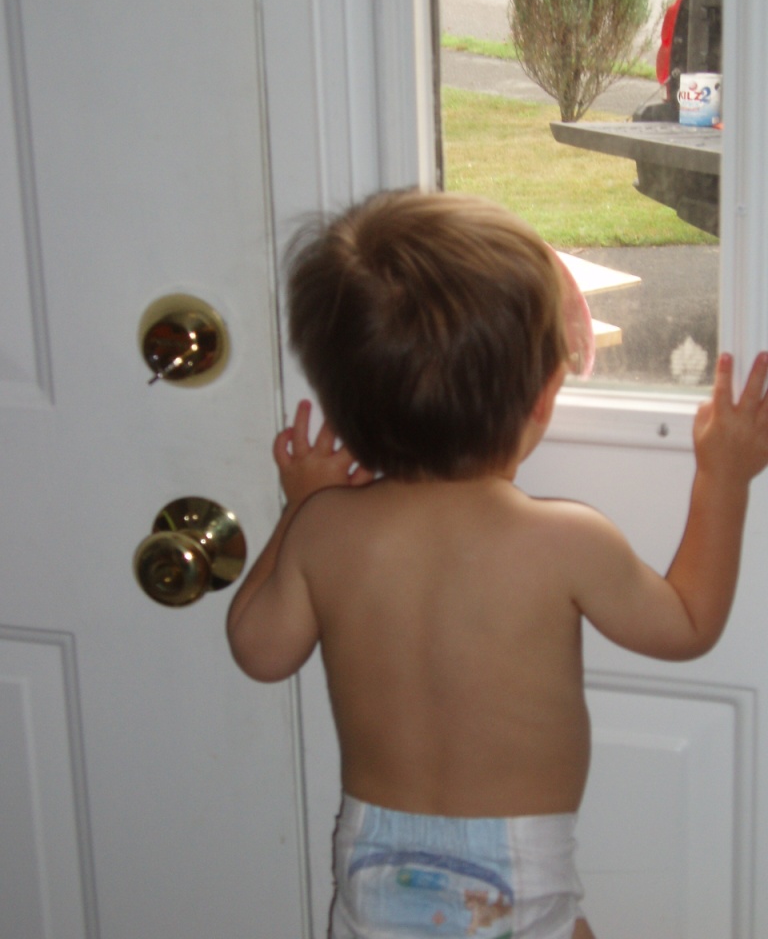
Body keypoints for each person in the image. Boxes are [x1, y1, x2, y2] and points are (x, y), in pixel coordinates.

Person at [227, 189, 768, 939]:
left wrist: (299, 506)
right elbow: (687, 625)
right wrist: (723, 477)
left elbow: (258, 651)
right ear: (543, 397)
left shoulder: (326, 531)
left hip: (373, 874)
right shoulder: (565, 541)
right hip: (516, 880)